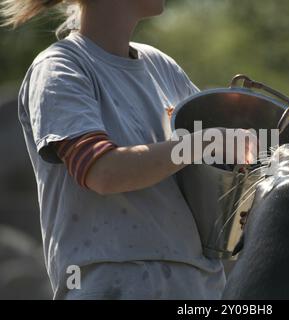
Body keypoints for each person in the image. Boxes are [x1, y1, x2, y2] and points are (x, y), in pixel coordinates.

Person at [1, 0, 255, 299]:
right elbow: (103, 172)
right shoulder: (60, 67)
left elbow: (215, 179)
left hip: (198, 287)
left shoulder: (162, 66)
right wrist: (199, 143)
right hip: (111, 285)